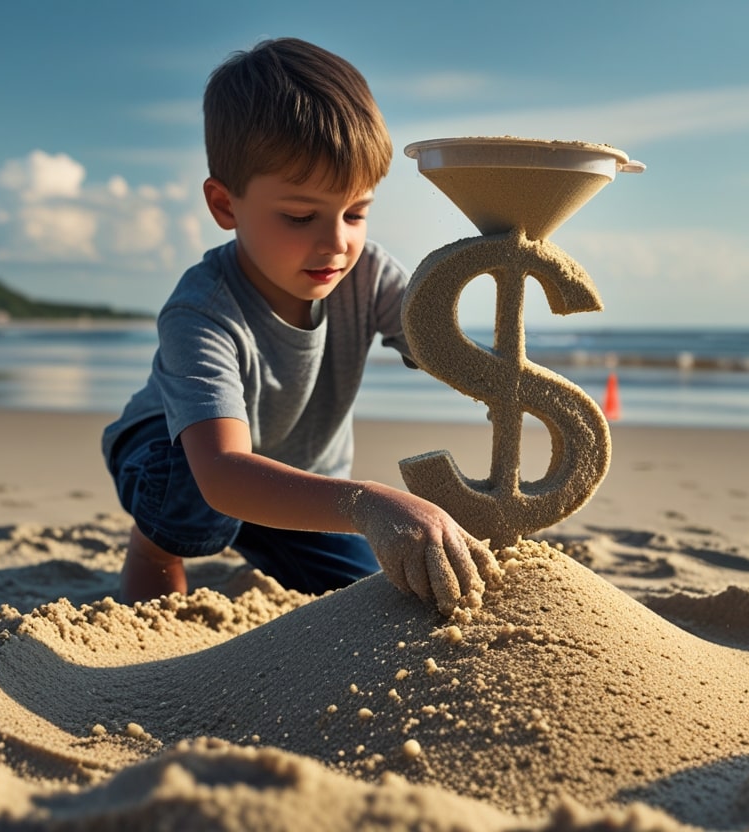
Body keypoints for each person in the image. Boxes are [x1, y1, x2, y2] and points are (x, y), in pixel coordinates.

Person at [101, 37, 497, 615]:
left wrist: (494, 376)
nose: (337, 242)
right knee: (194, 494)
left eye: (356, 212)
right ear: (225, 206)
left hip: (299, 484)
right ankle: (153, 551)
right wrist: (370, 502)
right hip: (184, 460)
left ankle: (274, 535)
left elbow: (441, 345)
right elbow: (223, 472)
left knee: (369, 593)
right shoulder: (202, 311)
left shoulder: (368, 274)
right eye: (299, 216)